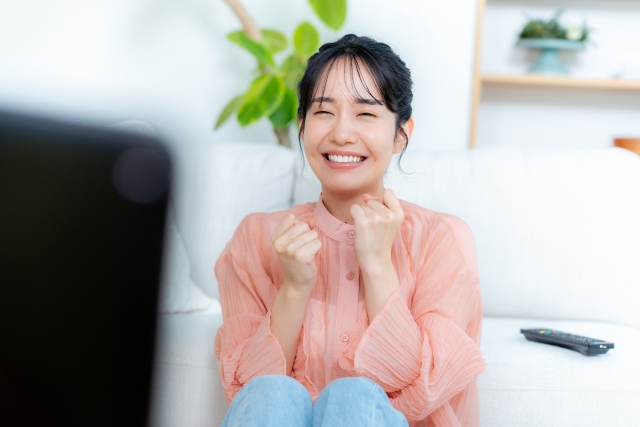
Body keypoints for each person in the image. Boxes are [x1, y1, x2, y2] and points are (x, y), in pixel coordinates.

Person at [214, 34, 486, 427]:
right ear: (302, 126)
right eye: (324, 111)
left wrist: (377, 265)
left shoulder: (441, 239)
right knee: (271, 392)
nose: (341, 133)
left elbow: (418, 391)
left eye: (366, 114)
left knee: (356, 397)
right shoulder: (256, 238)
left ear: (401, 134)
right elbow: (247, 394)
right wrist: (294, 288)